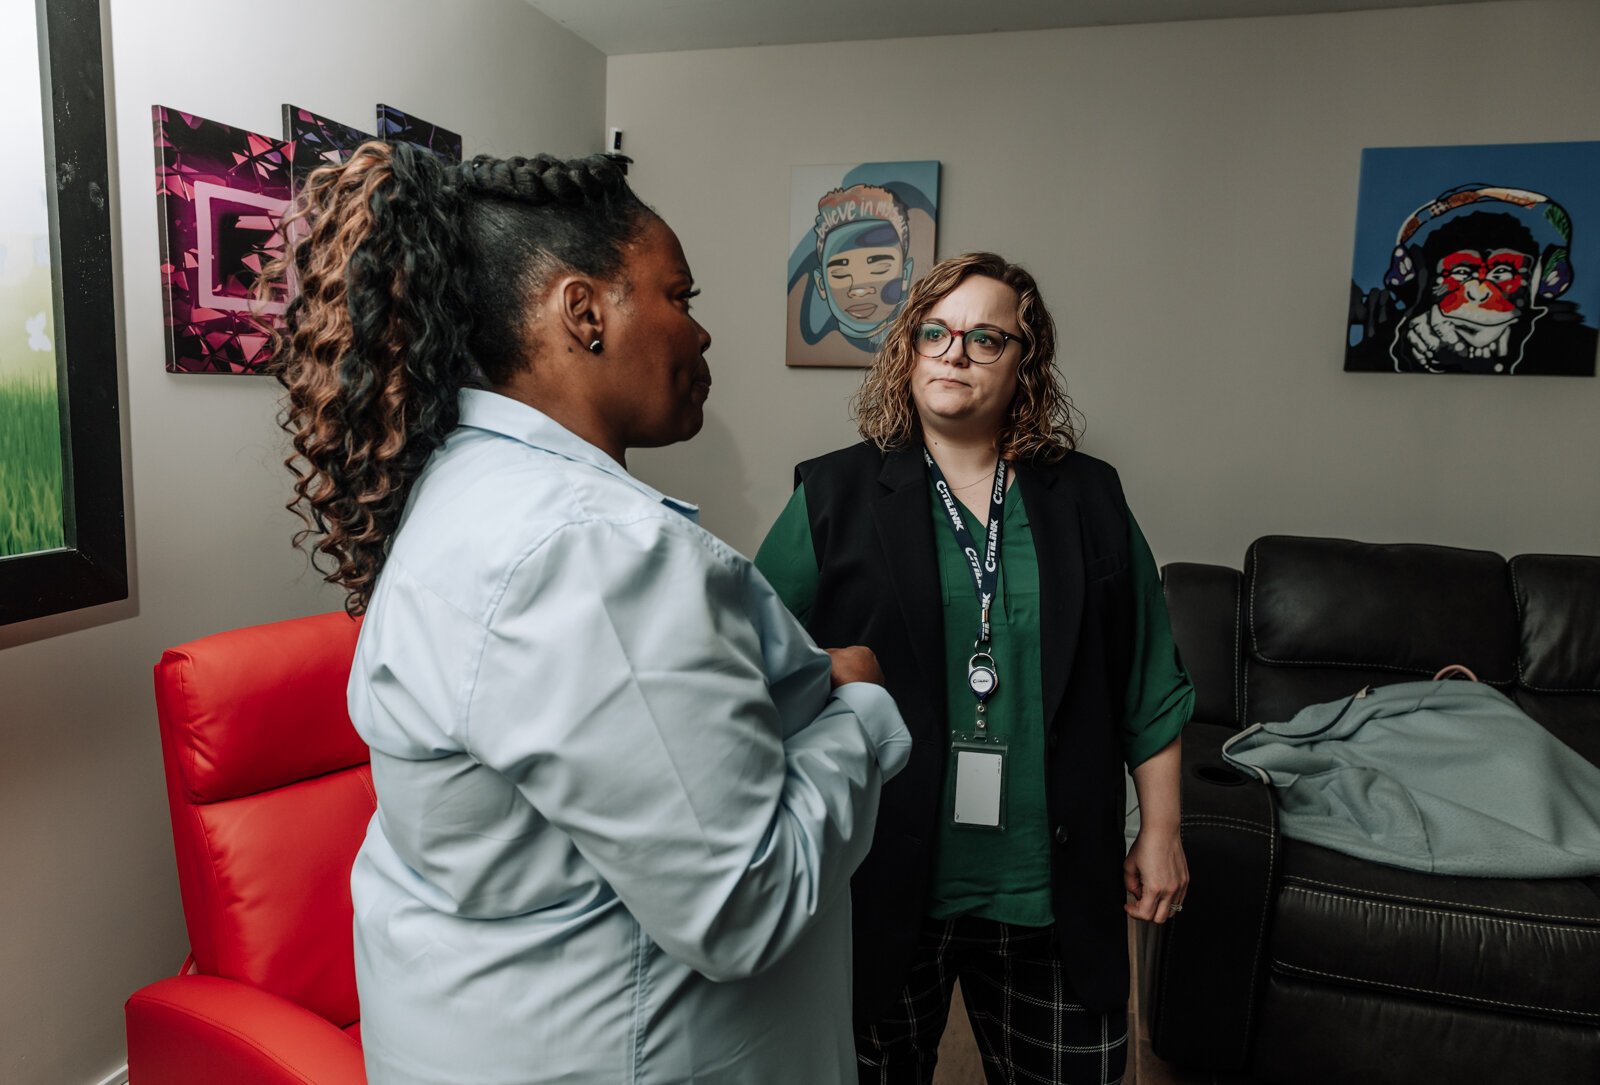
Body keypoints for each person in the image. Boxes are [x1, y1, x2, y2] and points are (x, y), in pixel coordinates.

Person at [269, 143, 910, 1085]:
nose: (699, 334)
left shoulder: (473, 491)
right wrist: (856, 710)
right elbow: (744, 903)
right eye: (680, 296)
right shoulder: (587, 551)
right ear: (584, 311)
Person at [755, 252, 1194, 1085]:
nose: (955, 352)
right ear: (909, 351)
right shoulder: (834, 494)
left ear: (1025, 363)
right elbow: (750, 659)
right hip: (885, 879)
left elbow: (1147, 675)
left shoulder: (1091, 499)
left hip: (1053, 885)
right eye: (936, 332)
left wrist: (1162, 830)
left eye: (986, 337)